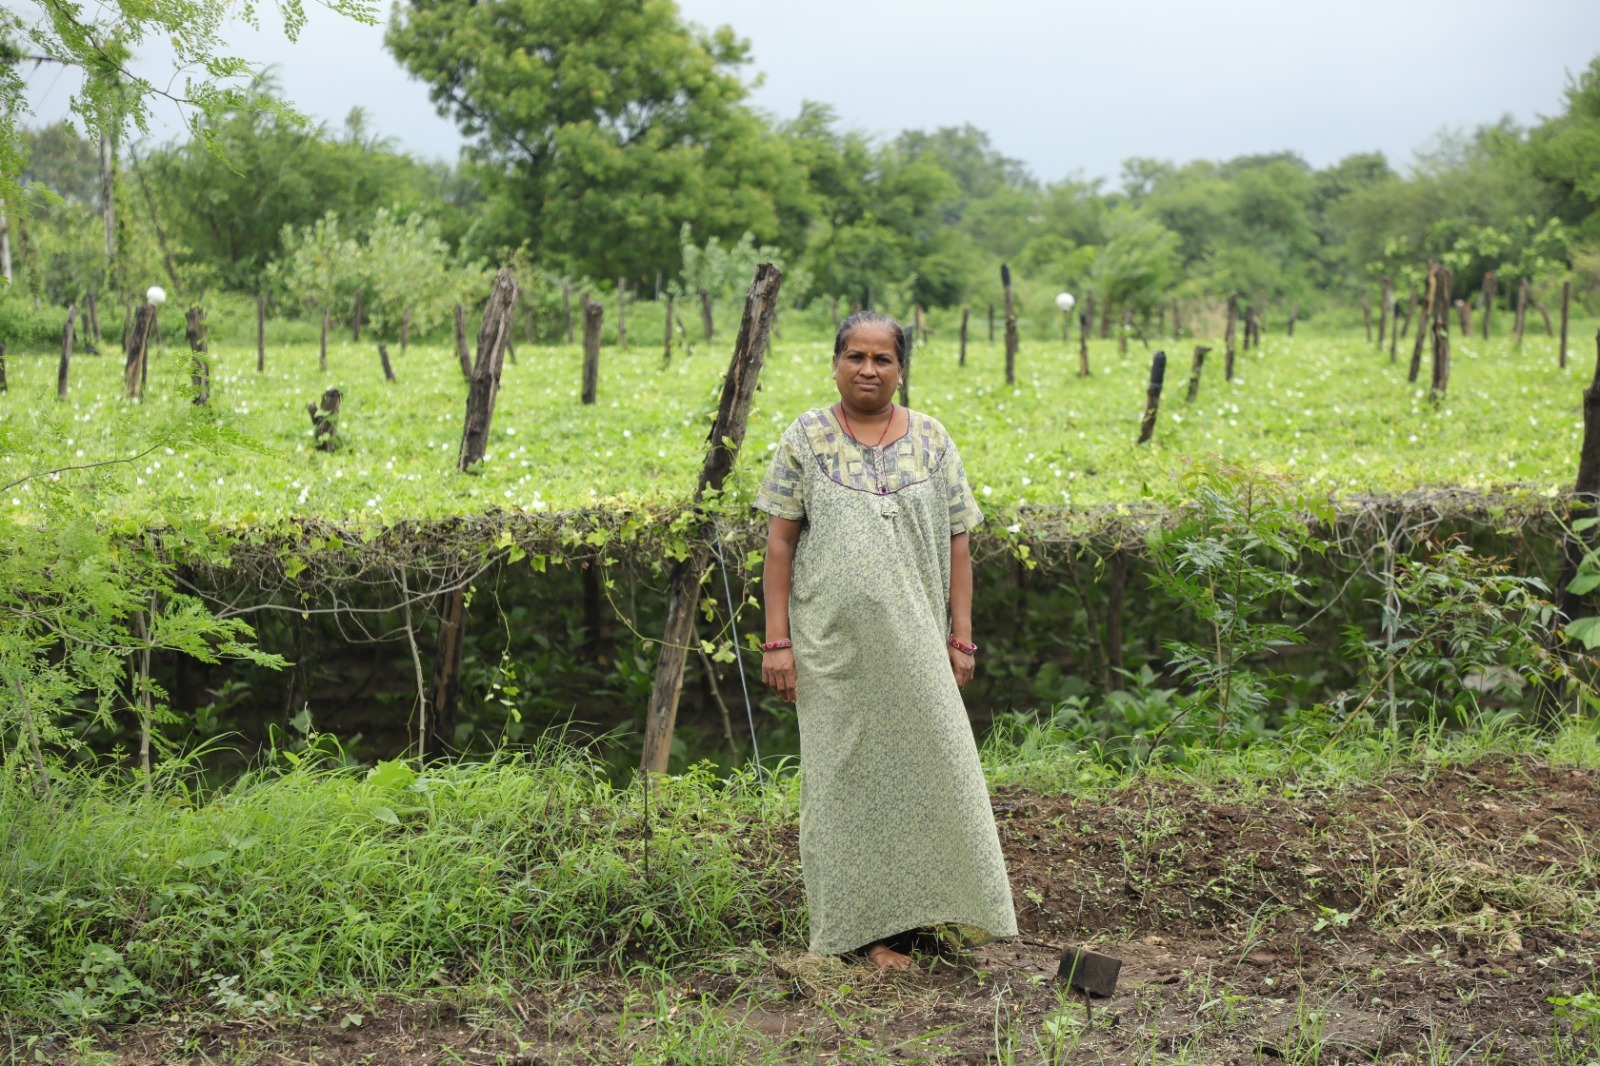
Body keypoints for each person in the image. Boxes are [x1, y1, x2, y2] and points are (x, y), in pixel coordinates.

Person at [754, 311, 1017, 971]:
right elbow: (779, 545)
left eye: (882, 359)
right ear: (835, 362)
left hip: (919, 646)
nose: (868, 370)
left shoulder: (931, 440)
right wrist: (776, 643)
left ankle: (924, 917)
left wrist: (962, 639)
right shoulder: (806, 438)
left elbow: (960, 544)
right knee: (846, 784)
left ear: (901, 368)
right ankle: (861, 933)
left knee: (935, 774)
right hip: (833, 652)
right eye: (855, 356)